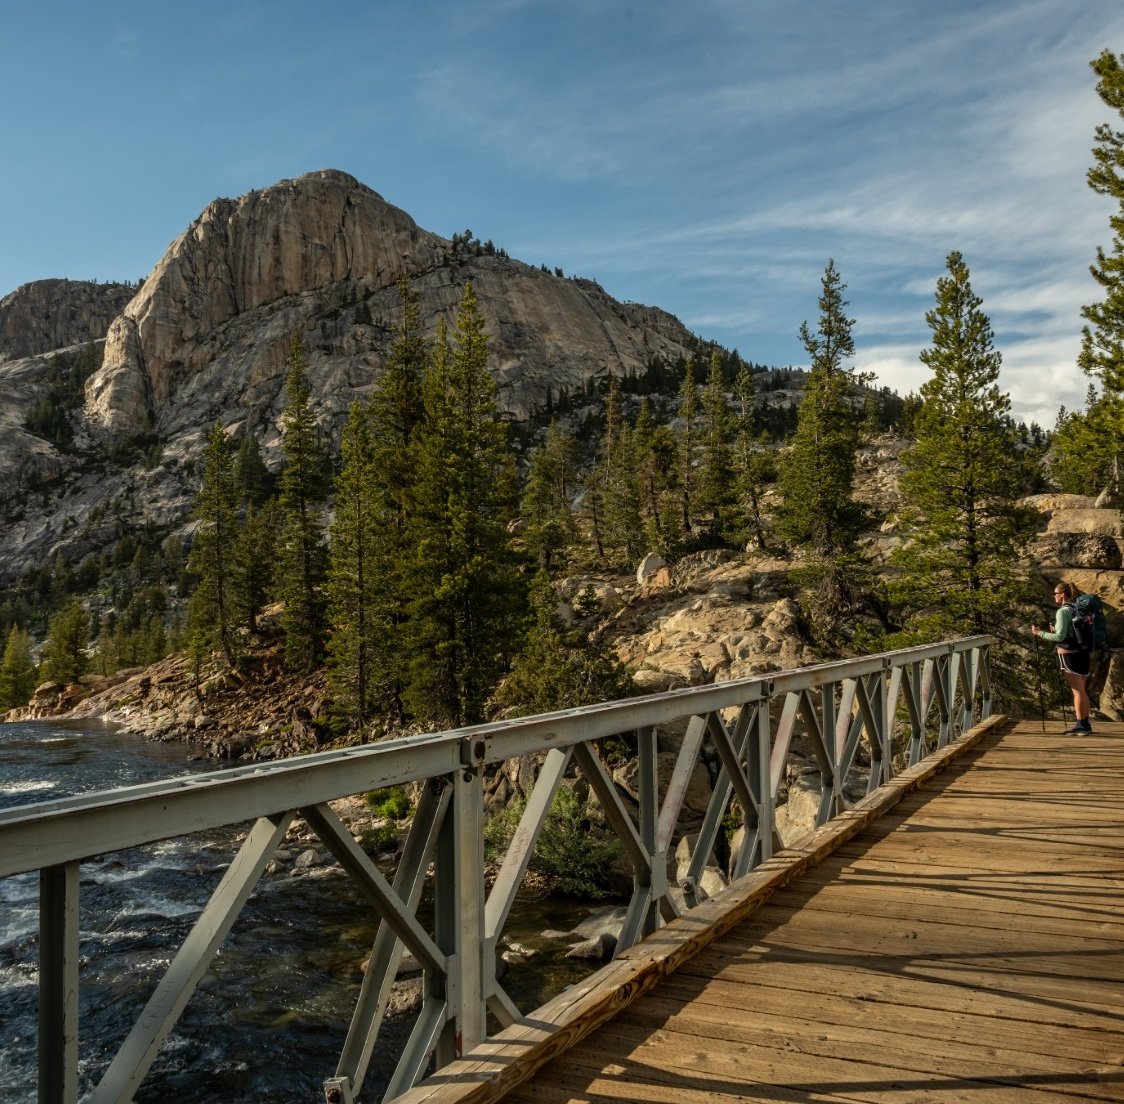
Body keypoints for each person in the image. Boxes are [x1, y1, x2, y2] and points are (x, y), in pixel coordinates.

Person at [1032, 581, 1092, 734]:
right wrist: (1056, 630)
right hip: (1083, 652)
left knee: (1077, 691)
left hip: (1069, 654)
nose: (1054, 596)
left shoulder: (1063, 611)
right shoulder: (1076, 608)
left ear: (1063, 595)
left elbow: (1059, 637)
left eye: (1055, 593)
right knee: (1082, 690)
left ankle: (1081, 726)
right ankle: (1085, 724)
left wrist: (1039, 633)